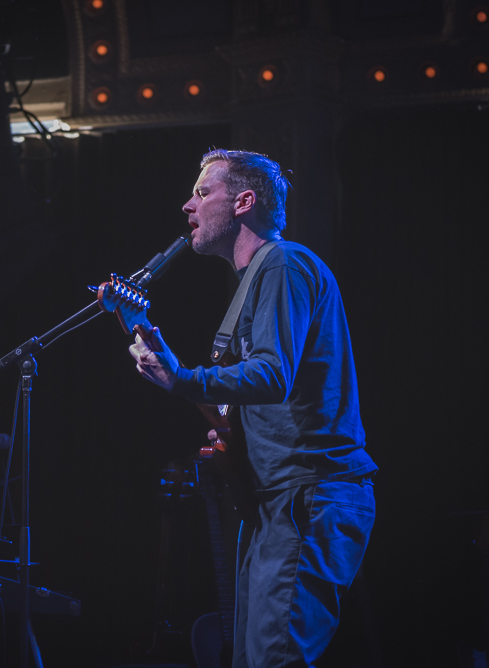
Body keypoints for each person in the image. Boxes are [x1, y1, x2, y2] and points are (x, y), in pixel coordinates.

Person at [128, 149, 377, 667]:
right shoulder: (258, 279)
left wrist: (182, 378)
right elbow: (235, 403)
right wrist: (156, 354)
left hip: (307, 496)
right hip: (273, 504)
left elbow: (269, 375)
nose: (187, 205)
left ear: (243, 201)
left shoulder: (284, 264)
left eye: (202, 193)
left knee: (270, 660)